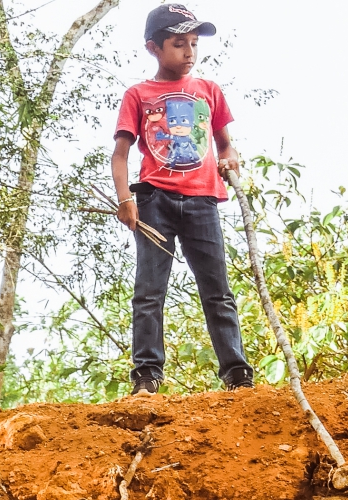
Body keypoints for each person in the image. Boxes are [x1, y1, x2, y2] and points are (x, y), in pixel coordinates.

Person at [110, 4, 254, 395]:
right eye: (179, 43)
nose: (189, 52)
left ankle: (237, 373)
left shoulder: (209, 91)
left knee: (217, 289)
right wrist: (125, 199)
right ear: (153, 48)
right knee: (149, 290)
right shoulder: (138, 94)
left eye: (193, 43)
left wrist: (229, 159)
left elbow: (225, 145)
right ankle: (147, 375)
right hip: (154, 202)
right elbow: (120, 154)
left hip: (202, 200)